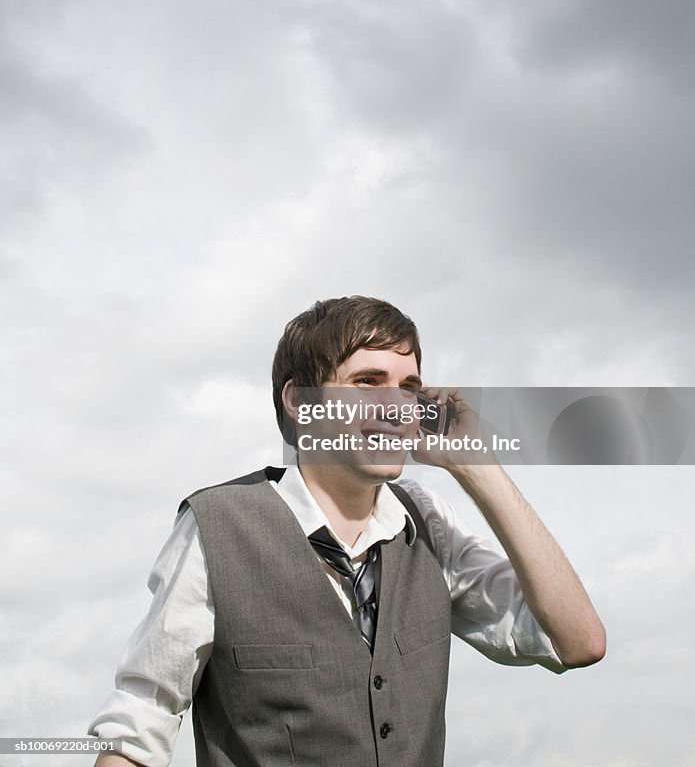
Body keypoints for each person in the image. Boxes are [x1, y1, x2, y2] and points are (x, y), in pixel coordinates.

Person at [90, 296, 605, 767]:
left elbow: (578, 642)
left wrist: (477, 468)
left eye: (408, 387)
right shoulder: (216, 526)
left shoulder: (428, 524)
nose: (395, 405)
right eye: (367, 382)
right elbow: (138, 729)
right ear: (300, 401)